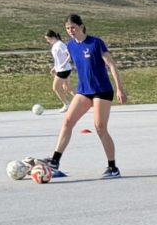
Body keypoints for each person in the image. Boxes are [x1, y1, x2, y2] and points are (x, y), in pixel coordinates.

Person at [46, 13, 127, 179]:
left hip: (102, 90)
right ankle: (55, 161)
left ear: (81, 26)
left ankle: (113, 167)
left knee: (100, 127)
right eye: (68, 28)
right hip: (84, 90)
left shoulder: (96, 43)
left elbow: (111, 65)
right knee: (67, 121)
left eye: (73, 27)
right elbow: (71, 61)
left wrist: (119, 88)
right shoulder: (70, 45)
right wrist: (62, 74)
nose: (71, 31)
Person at [46, 29, 73, 109]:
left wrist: (64, 64)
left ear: (53, 37)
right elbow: (58, 59)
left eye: (48, 39)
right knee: (68, 88)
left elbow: (70, 54)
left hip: (63, 70)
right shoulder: (55, 45)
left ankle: (66, 104)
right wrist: (55, 67)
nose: (47, 41)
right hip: (62, 69)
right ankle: (83, 101)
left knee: (56, 88)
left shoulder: (60, 44)